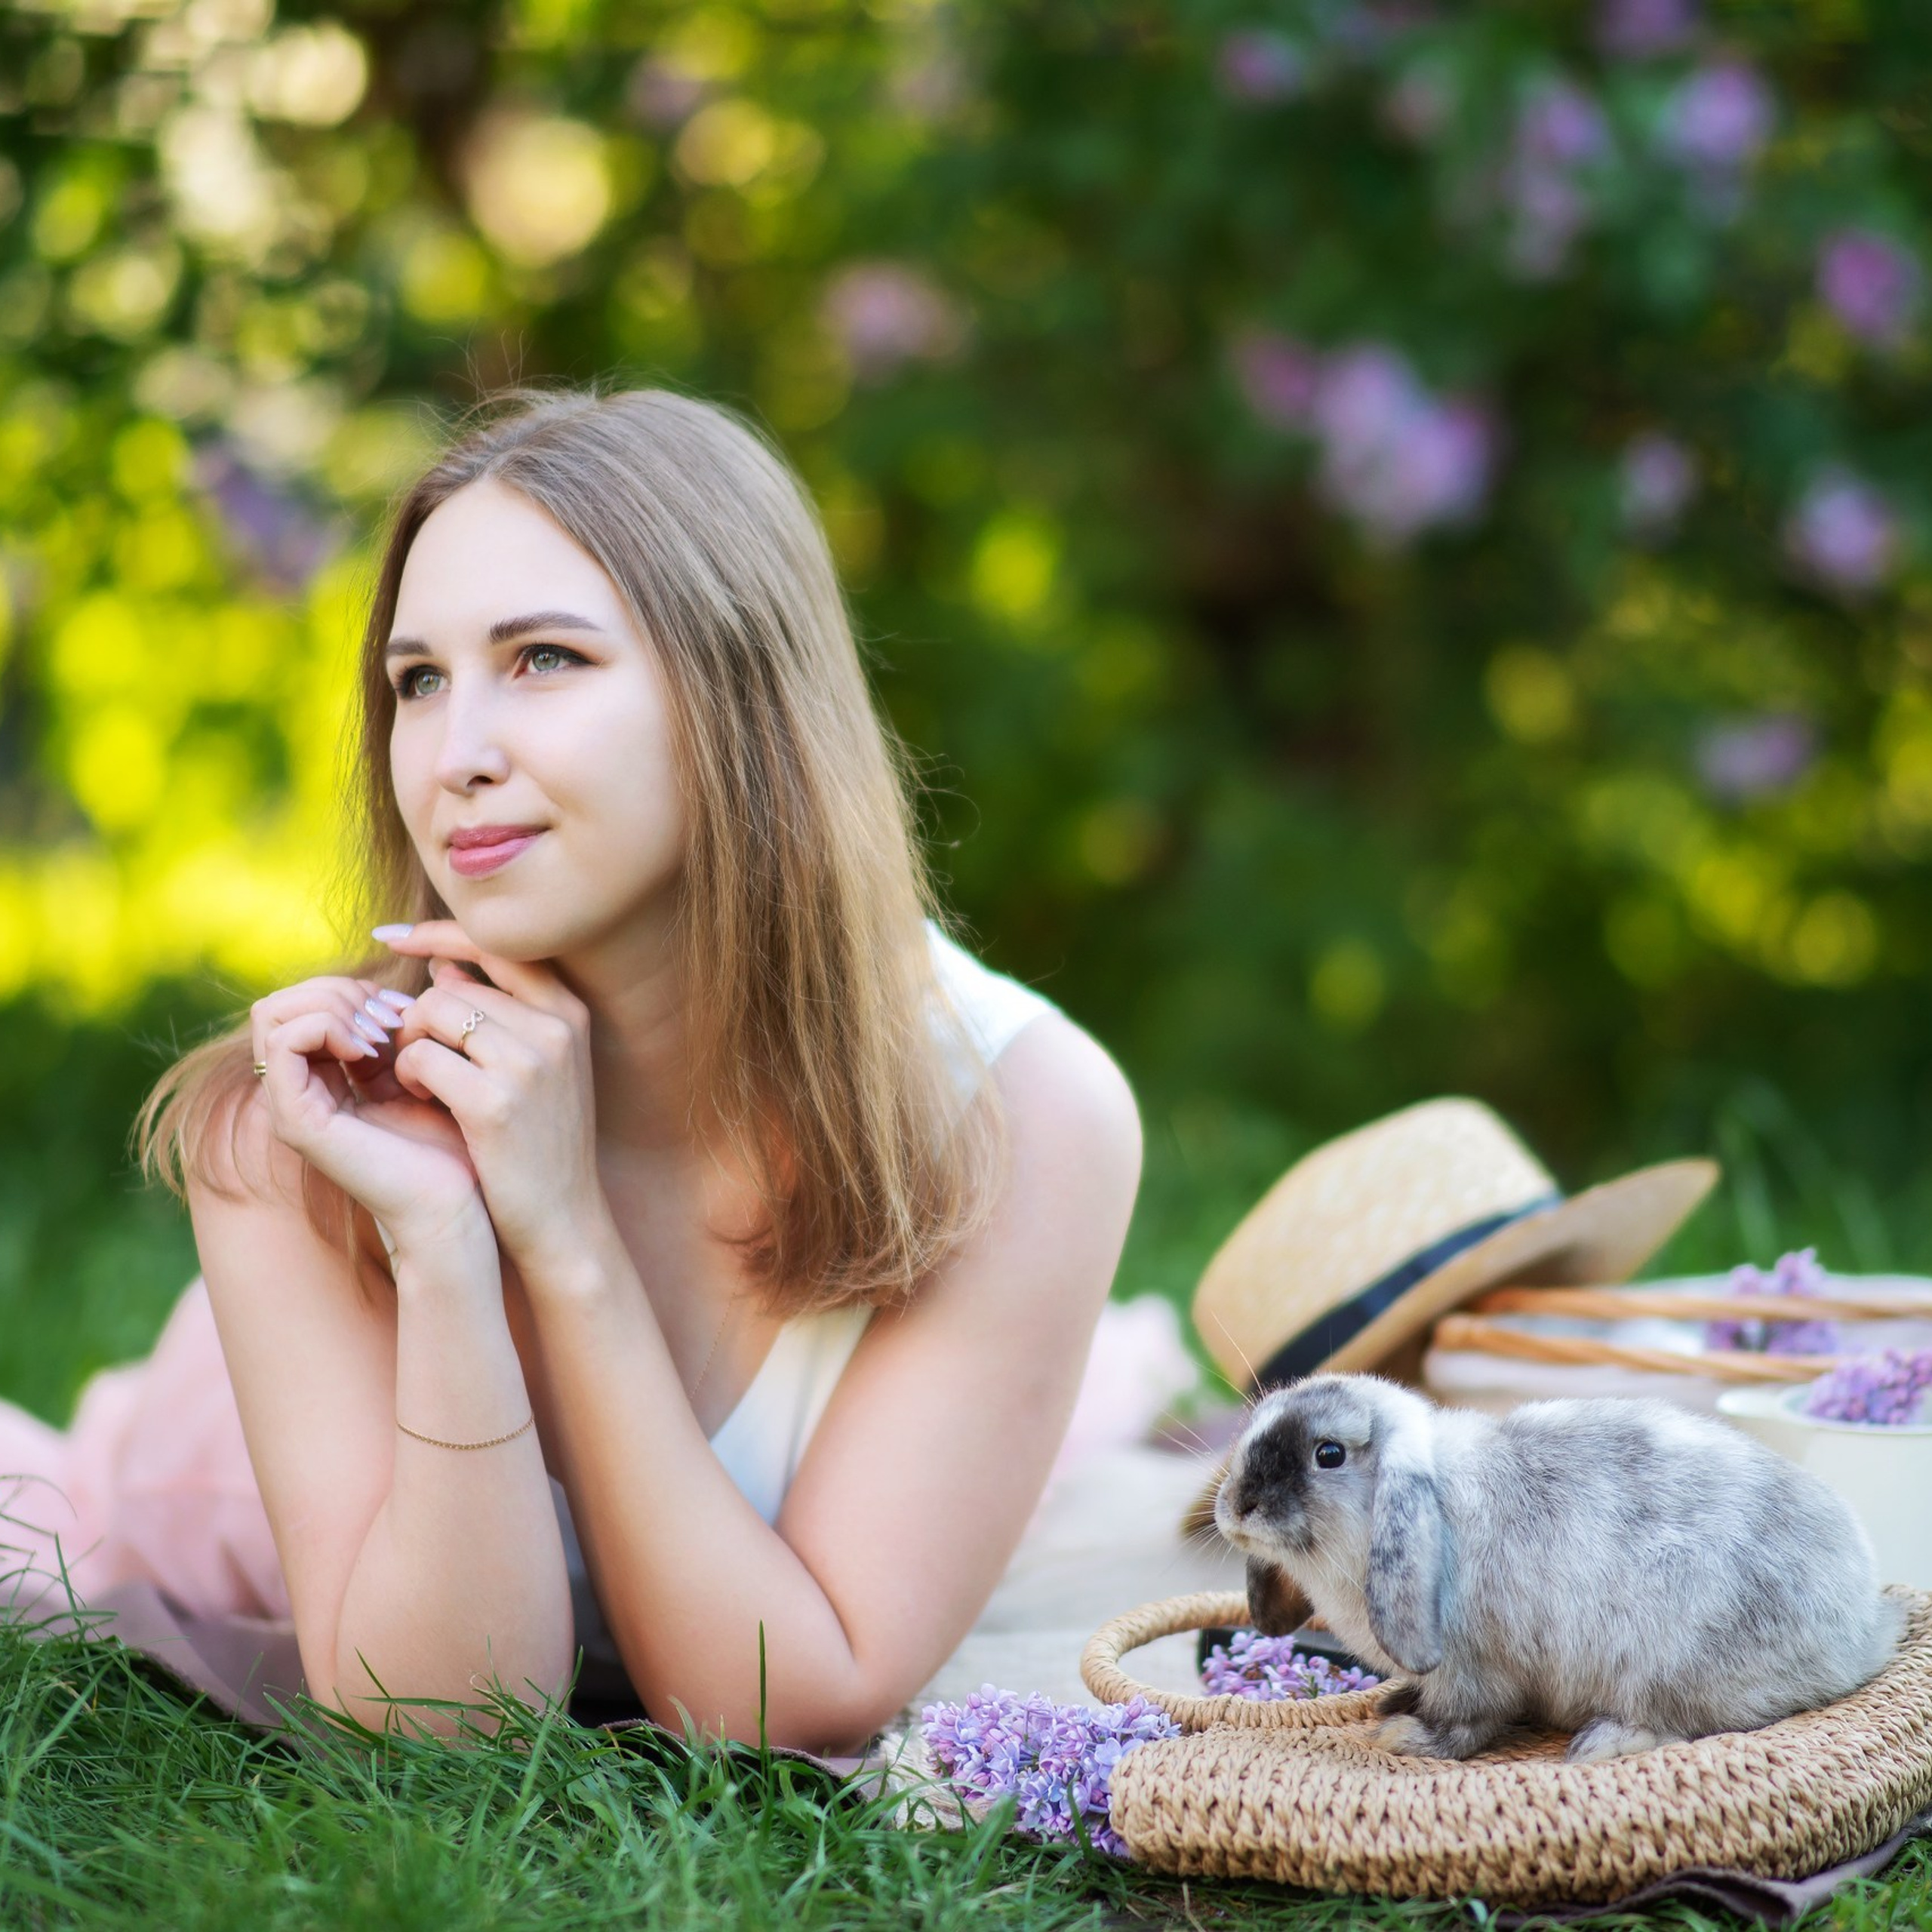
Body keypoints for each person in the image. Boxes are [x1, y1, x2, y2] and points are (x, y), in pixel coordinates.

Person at [0, 386, 1150, 1757]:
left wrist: (566, 1237)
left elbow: (797, 1697)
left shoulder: (1021, 1111)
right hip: (194, 1479)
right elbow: (446, 1721)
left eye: (542, 658)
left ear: (741, 695)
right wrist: (443, 1245)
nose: (456, 757)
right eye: (418, 681)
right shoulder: (300, 1133)